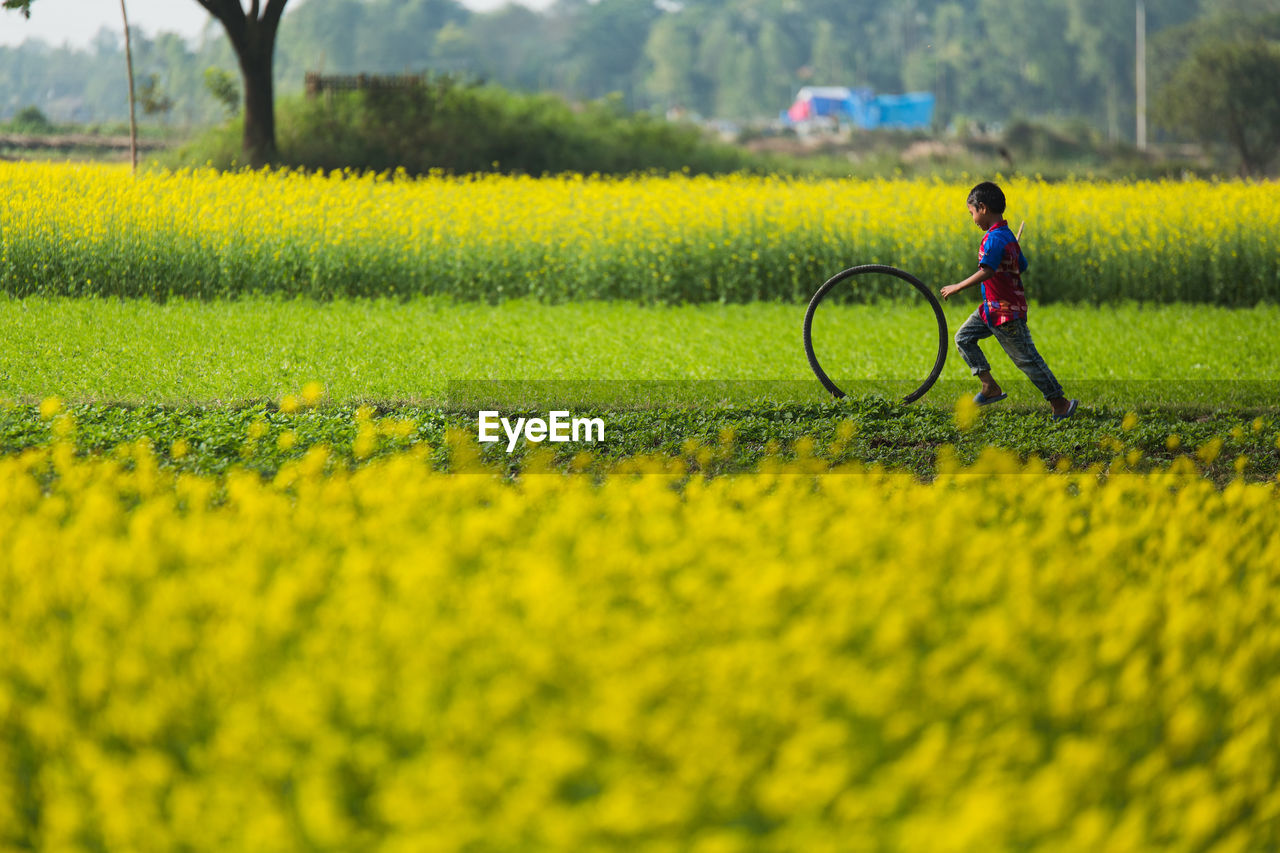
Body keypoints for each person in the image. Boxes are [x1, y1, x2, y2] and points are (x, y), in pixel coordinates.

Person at [940, 181, 1078, 420]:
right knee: (964, 338)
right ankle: (989, 387)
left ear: (982, 208)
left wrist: (959, 286)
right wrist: (1011, 253)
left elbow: (989, 270)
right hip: (990, 310)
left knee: (1027, 360)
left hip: (1005, 313)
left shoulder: (995, 239)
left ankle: (1060, 403)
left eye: (971, 213)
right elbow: (1021, 266)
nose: (972, 219)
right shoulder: (1006, 238)